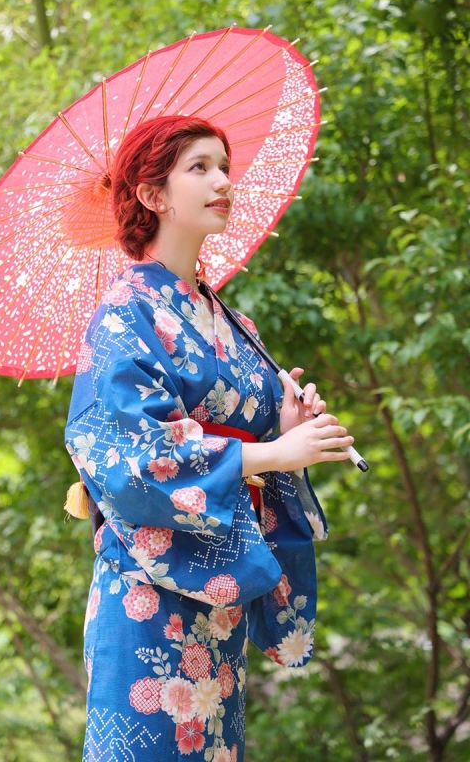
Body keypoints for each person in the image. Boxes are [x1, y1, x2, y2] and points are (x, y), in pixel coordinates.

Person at [65, 115, 354, 762]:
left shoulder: (234, 321)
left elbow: (258, 448)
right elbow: (130, 455)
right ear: (152, 194)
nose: (223, 181)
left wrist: (286, 430)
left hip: (220, 586)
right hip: (148, 588)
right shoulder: (124, 312)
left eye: (224, 166)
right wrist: (273, 453)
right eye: (199, 168)